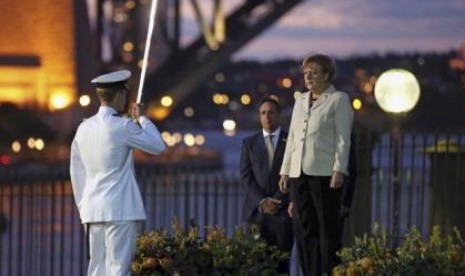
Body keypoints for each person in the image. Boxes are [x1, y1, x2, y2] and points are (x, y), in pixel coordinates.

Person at [70, 70, 166, 276]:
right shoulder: (123, 127)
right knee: (118, 270)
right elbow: (158, 146)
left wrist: (83, 206)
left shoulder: (83, 128)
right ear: (121, 95)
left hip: (92, 210)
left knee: (96, 269)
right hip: (120, 210)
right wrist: (143, 118)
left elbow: (77, 173)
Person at [278, 53, 354, 276]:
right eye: (305, 72)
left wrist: (339, 169)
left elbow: (343, 138)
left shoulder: (339, 99)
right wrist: (285, 171)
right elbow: (292, 137)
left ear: (327, 75)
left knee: (327, 230)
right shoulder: (300, 99)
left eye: (314, 72)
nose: (308, 76)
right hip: (298, 173)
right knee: (304, 230)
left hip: (324, 174)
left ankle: (331, 271)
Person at [240, 96, 294, 274]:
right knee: (255, 265)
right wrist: (263, 201)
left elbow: (294, 175)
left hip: (282, 214)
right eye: (263, 113)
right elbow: (246, 176)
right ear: (259, 116)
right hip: (256, 214)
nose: (267, 116)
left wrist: (276, 201)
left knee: (281, 265)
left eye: (271, 112)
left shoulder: (291, 142)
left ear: (278, 115)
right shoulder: (249, 143)